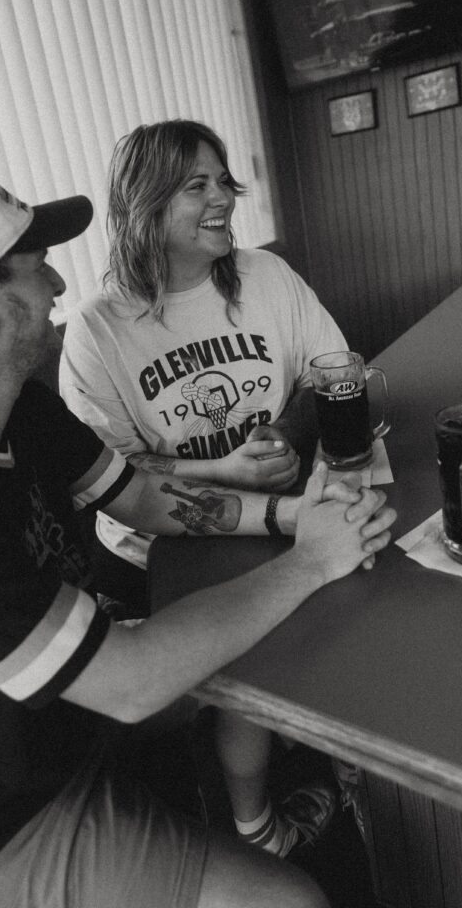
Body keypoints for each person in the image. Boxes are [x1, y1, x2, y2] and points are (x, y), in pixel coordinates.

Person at [0, 162, 395, 908]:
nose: (59, 289)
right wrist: (308, 562)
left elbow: (137, 497)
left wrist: (296, 516)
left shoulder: (9, 406)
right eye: (36, 270)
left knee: (255, 651)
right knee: (289, 903)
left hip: (59, 721)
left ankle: (258, 818)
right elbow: (130, 684)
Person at [60, 120, 352, 857]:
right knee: (248, 649)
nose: (224, 196)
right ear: (144, 205)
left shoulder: (266, 278)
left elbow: (334, 372)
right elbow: (112, 478)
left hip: (276, 519)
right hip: (156, 553)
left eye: (225, 180)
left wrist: (286, 432)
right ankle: (257, 828)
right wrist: (225, 475)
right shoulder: (97, 333)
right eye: (198, 184)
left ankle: (347, 766)